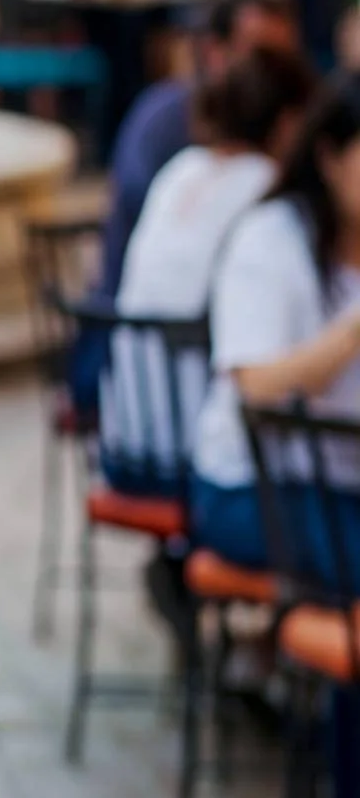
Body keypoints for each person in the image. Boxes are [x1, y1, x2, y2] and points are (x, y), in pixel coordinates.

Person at [102, 46, 312, 487]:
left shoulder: (182, 168)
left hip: (123, 439)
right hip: (193, 457)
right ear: (290, 123)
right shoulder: (267, 192)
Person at [188, 73, 360, 573]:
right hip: (252, 489)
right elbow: (256, 384)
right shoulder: (271, 238)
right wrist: (351, 333)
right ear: (329, 157)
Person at [96, 0, 301, 297]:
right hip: (146, 325)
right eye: (260, 56)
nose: (277, 75)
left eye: (285, 60)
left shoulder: (285, 124)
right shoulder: (172, 129)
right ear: (215, 52)